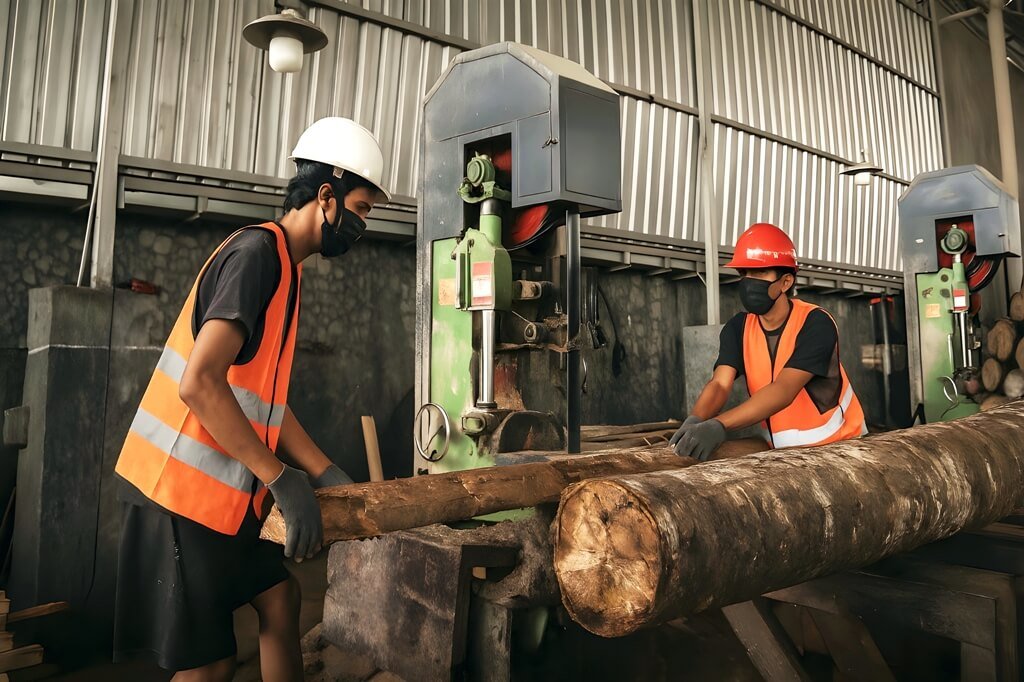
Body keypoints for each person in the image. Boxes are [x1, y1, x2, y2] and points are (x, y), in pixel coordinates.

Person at [112, 117, 390, 682]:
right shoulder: (257, 256)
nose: (362, 225)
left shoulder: (287, 269)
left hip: (227, 499)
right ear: (326, 196)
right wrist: (280, 477)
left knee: (281, 599)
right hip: (181, 498)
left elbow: (262, 401)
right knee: (210, 666)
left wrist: (323, 470)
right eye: (361, 208)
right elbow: (199, 383)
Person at [672, 222, 866, 461]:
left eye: (759, 273)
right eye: (744, 273)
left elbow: (784, 390)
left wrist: (720, 425)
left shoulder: (816, 323)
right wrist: (695, 420)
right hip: (782, 455)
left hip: (840, 448)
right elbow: (720, 384)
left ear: (786, 282)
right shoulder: (738, 328)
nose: (748, 281)